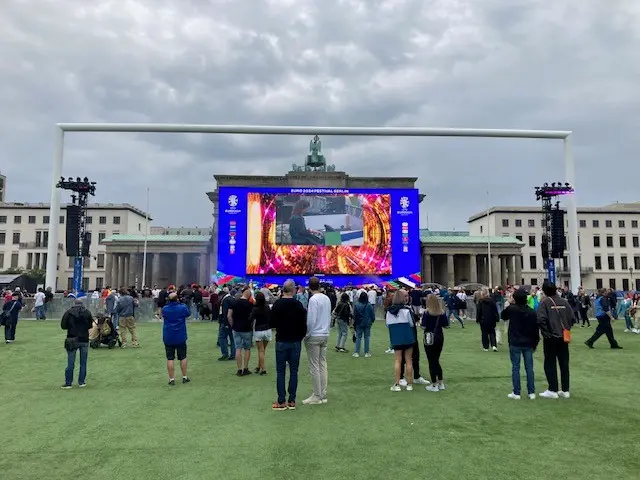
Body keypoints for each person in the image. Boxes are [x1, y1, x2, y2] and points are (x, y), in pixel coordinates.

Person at [270, 279, 307, 410]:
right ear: (293, 290)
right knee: (294, 372)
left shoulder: (277, 304)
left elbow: (272, 323)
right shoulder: (298, 305)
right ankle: (292, 400)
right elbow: (304, 325)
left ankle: (281, 401)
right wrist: (299, 337)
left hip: (281, 341)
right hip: (295, 342)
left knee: (280, 372)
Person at [537, 281, 575, 399]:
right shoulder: (564, 302)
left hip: (551, 337)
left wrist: (547, 332)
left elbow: (541, 319)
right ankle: (565, 390)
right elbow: (572, 318)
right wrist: (566, 328)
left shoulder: (545, 302)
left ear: (545, 291)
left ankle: (553, 389)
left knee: (550, 363)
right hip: (563, 336)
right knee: (564, 363)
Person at [502, 288, 539, 400]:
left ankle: (516, 392)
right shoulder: (532, 311)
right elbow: (535, 329)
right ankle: (531, 392)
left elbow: (503, 316)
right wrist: (535, 343)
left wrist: (510, 303)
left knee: (515, 367)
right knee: (529, 368)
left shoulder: (512, 309)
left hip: (515, 342)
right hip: (528, 343)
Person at [303, 276, 331, 405]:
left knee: (314, 366)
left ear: (309, 287)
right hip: (324, 334)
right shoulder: (326, 298)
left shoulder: (313, 299)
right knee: (322, 364)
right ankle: (322, 393)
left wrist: (307, 334)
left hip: (314, 334)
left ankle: (317, 395)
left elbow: (311, 319)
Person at [386, 289, 416, 391]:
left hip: (396, 338)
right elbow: (412, 324)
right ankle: (409, 384)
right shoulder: (407, 310)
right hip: (407, 337)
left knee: (398, 360)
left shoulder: (389, 312)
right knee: (408, 360)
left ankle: (397, 384)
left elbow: (387, 325)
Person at [61, 299, 94, 389]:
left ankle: (68, 383)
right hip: (84, 339)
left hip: (72, 338)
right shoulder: (87, 312)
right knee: (83, 362)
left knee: (70, 362)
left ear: (74, 304)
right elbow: (90, 326)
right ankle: (81, 382)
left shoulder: (68, 312)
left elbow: (63, 326)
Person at [161, 292, 191, 385]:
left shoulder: (165, 309)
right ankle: (184, 377)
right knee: (183, 357)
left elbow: (164, 315)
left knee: (170, 358)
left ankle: (171, 379)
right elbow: (188, 313)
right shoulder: (182, 307)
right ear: (177, 299)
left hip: (168, 335)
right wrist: (183, 303)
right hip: (180, 335)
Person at [421, 294, 448, 392]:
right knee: (436, 360)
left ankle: (434, 384)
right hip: (439, 337)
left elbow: (423, 326)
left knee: (431, 361)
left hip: (429, 337)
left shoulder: (426, 313)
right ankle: (441, 382)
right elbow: (446, 325)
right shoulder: (441, 312)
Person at [228, 288, 254, 376]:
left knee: (238, 348)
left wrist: (232, 325)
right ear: (249, 295)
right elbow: (252, 318)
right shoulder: (250, 305)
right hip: (246, 329)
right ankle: (246, 368)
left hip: (236, 329)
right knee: (247, 349)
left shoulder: (234, 303)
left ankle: (239, 369)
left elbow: (229, 316)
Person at [251, 291, 271, 375]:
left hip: (259, 330)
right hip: (268, 330)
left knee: (260, 351)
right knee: (263, 351)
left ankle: (264, 369)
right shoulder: (267, 307)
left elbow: (250, 318)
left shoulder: (255, 309)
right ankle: (259, 366)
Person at [353, 291, 375, 357]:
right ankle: (366, 352)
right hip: (367, 323)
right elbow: (372, 314)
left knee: (358, 338)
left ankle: (356, 352)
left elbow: (355, 314)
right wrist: (372, 321)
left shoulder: (357, 304)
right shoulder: (369, 305)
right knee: (367, 337)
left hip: (359, 322)